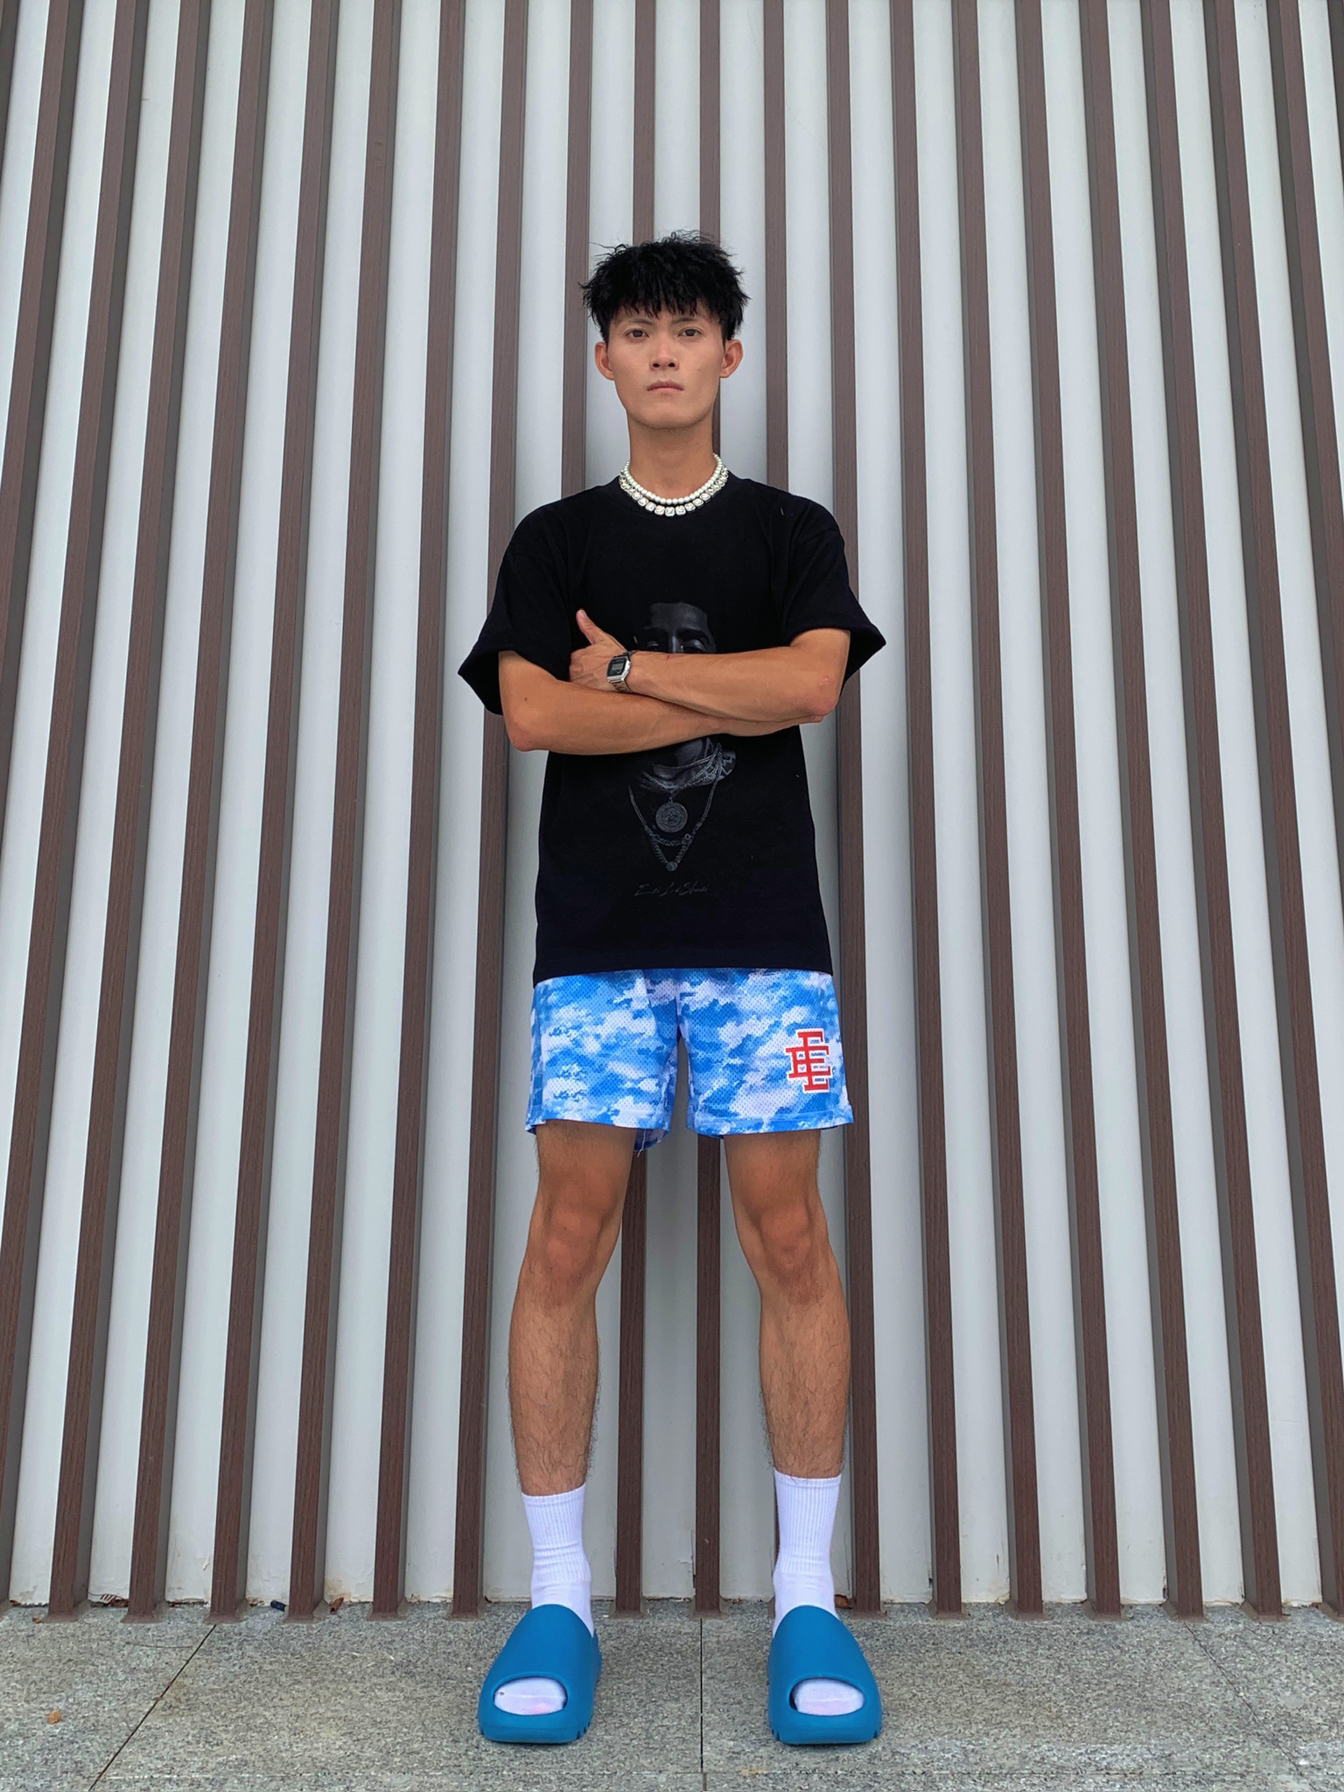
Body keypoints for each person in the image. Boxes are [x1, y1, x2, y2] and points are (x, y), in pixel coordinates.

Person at [458, 231, 885, 1748]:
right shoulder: (555, 542)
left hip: (767, 943)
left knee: (791, 1237)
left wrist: (630, 676)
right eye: (636, 331)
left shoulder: (788, 530)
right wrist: (718, 689)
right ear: (603, 361)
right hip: (597, 945)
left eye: (688, 330)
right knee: (567, 1237)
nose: (662, 352)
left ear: (729, 356)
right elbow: (529, 716)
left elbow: (812, 685)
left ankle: (806, 1600)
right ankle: (558, 1599)